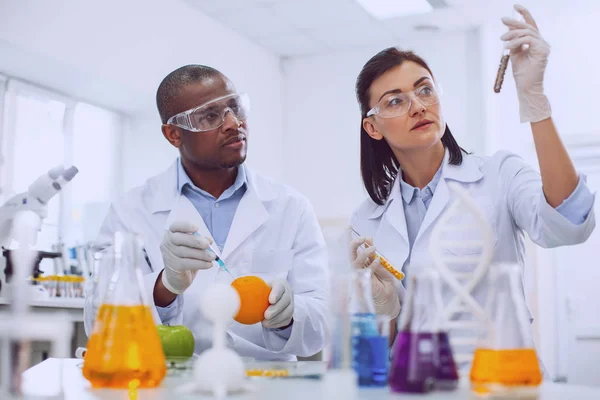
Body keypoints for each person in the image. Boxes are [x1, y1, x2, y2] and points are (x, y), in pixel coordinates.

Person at [349, 5, 595, 356]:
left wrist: (534, 100)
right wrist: (384, 313)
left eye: (425, 90)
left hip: (496, 383)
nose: (418, 106)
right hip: (411, 386)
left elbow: (569, 223)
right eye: (395, 101)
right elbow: (372, 344)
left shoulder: (499, 175)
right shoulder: (364, 222)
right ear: (372, 127)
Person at [89, 65, 329, 361]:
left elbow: (321, 322)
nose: (233, 123)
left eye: (235, 108)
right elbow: (101, 320)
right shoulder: (130, 211)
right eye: (210, 115)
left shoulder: (292, 207)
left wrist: (289, 316)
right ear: (173, 134)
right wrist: (165, 286)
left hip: (268, 381)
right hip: (173, 380)